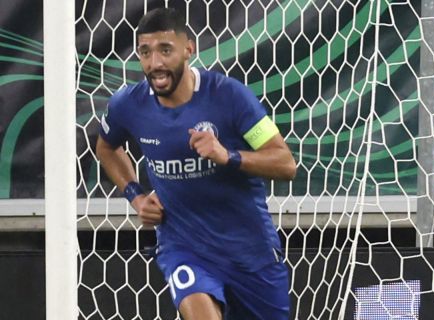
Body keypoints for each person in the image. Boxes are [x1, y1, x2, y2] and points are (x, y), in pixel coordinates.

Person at [96, 7, 296, 320]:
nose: (155, 64)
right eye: (145, 52)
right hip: (184, 248)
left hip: (251, 252)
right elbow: (106, 147)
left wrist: (227, 155)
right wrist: (135, 195)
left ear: (189, 49)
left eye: (165, 50)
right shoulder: (128, 104)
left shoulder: (231, 97)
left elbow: (285, 163)